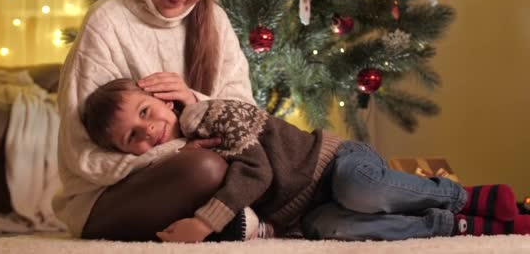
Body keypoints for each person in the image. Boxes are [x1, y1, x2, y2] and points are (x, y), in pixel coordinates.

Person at [82, 77, 530, 243]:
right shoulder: (169, 166)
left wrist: (204, 222)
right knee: (335, 230)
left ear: (162, 98)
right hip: (307, 212)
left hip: (330, 163)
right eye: (133, 139)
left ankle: (463, 195)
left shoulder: (211, 114)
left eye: (146, 112)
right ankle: (455, 226)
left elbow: (256, 171)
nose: (150, 131)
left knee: (361, 190)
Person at [52, 0, 257, 241]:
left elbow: (247, 115)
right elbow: (82, 156)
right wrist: (174, 153)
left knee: (264, 163)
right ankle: (224, 220)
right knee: (205, 169)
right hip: (110, 196)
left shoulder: (215, 21)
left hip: (194, 173)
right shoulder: (107, 22)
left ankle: (216, 221)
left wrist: (193, 102)